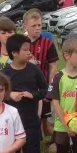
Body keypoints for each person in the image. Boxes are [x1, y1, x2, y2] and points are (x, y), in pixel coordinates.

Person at [2, 34, 49, 153]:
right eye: (25, 50)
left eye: (30, 49)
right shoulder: (5, 73)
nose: (29, 53)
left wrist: (33, 95)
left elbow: (44, 90)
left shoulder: (34, 70)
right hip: (10, 122)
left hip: (30, 121)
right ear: (14, 53)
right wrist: (10, 95)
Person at [23, 8, 59, 139]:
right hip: (25, 86)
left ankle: (55, 140)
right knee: (29, 119)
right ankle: (32, 142)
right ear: (25, 26)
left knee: (45, 120)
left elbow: (53, 67)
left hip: (42, 86)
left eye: (39, 25)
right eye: (33, 26)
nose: (37, 28)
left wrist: (49, 89)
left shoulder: (48, 43)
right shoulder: (20, 43)